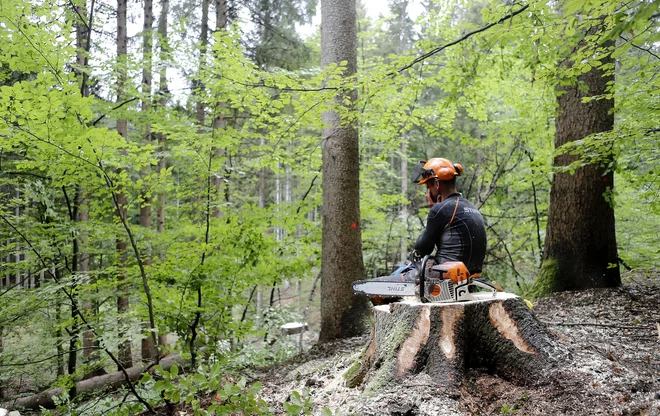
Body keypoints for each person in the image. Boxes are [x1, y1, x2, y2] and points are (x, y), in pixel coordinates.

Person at [411, 158, 487, 275]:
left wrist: (434, 210)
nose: (427, 193)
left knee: (382, 284)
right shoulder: (471, 207)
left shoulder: (441, 209)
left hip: (445, 277)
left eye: (428, 187)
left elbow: (421, 250)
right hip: (469, 277)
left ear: (436, 184)